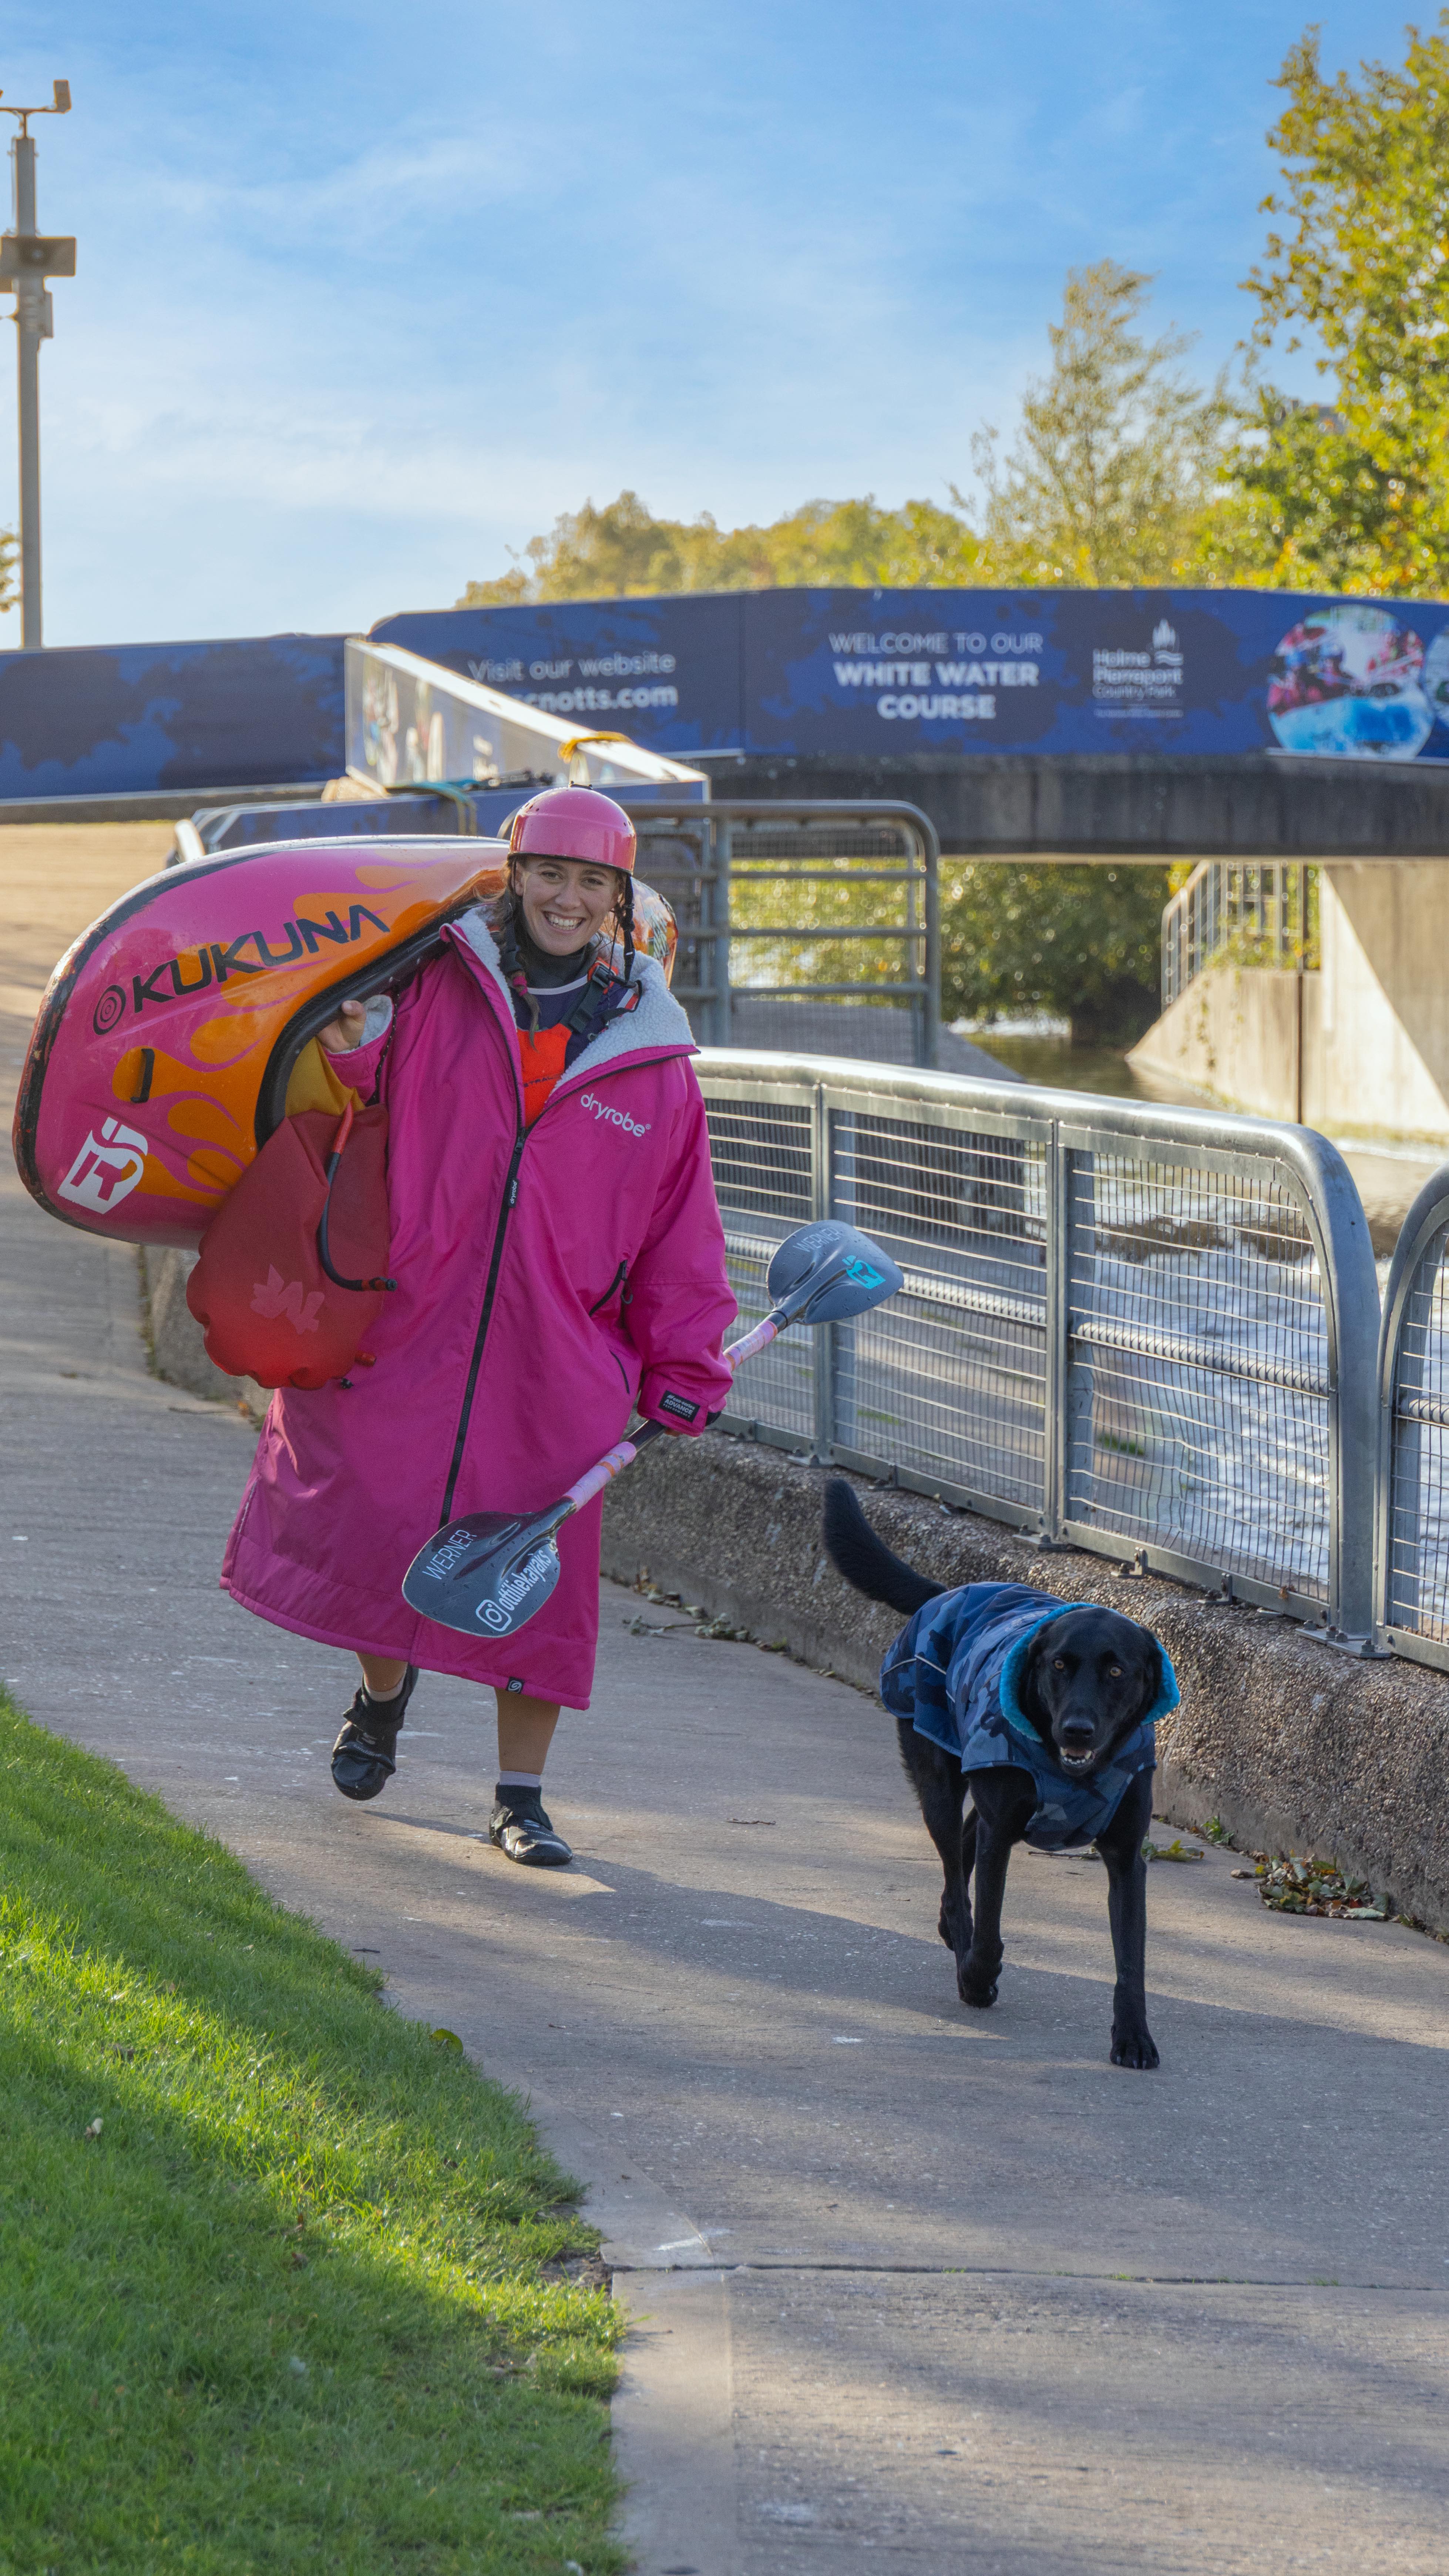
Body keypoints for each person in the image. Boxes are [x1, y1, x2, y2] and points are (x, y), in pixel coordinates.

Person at [220, 786, 735, 1868]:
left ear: (618, 897)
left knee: (533, 1577)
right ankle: (380, 1701)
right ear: (514, 873)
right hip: (408, 1320)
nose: (566, 898)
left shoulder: (653, 1060)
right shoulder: (428, 981)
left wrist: (685, 1364)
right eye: (549, 873)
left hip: (557, 1363)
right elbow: (355, 1103)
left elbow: (681, 1232)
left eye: (591, 881)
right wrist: (347, 1049)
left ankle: (520, 1799)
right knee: (377, 1524)